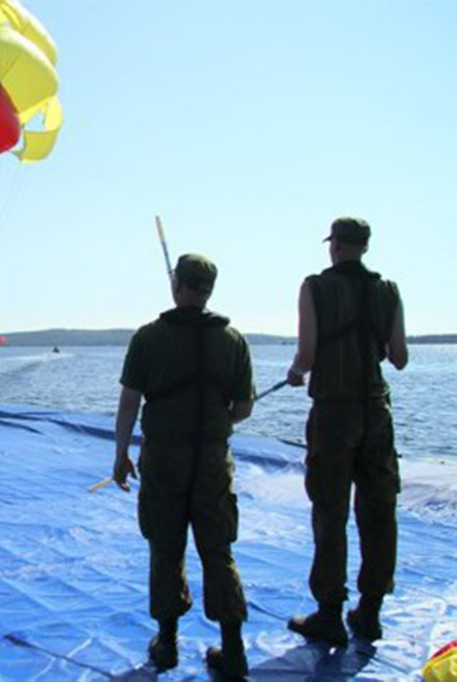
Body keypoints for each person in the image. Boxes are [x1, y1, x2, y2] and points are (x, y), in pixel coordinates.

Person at [113, 254, 254, 679]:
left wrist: (120, 454)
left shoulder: (148, 338)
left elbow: (129, 403)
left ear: (177, 286)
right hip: (211, 461)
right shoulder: (232, 339)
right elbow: (243, 408)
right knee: (218, 550)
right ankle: (233, 651)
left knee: (165, 547)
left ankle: (168, 643)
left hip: (164, 462)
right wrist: (211, 425)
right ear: (209, 289)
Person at [285, 217, 407, 645]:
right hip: (376, 410)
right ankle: (370, 612)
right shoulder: (388, 290)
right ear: (366, 247)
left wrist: (297, 371)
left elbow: (308, 354)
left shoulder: (314, 287)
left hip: (334, 410)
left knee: (330, 511)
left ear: (334, 246)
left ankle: (330, 614)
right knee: (379, 510)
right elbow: (400, 357)